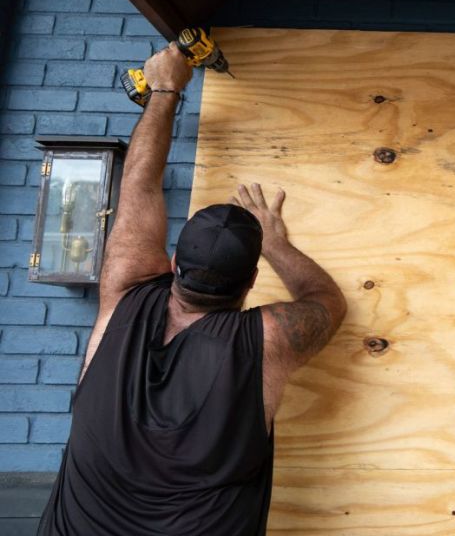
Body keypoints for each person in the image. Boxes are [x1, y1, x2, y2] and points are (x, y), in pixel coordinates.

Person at [38, 45, 348, 535]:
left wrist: (165, 88)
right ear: (250, 282)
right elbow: (327, 303)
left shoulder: (123, 291)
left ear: (175, 263)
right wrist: (276, 244)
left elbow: (139, 185)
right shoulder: (265, 338)